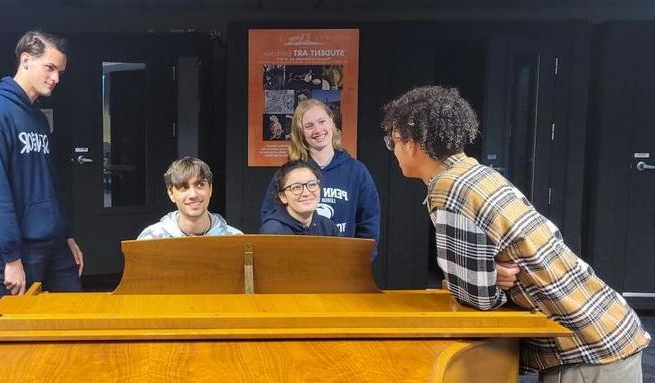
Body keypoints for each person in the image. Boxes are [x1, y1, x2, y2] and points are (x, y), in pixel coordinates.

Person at [380, 85, 649, 381]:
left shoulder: (447, 188)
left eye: (393, 141)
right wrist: (487, 273)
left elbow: (477, 297)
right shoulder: (476, 172)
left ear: (412, 143)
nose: (393, 151)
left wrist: (484, 277)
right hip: (608, 325)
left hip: (586, 350)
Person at [0, 30, 83, 298]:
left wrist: (67, 234)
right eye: (50, 68)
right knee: (25, 334)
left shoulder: (38, 118)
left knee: (73, 318)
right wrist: (11, 258)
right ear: (26, 60)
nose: (55, 78)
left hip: (54, 243)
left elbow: (49, 182)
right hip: (19, 251)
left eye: (60, 72)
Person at [260, 99, 380, 246]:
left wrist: (358, 262)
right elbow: (270, 217)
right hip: (296, 261)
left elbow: (369, 225)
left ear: (331, 120)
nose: (317, 130)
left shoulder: (357, 172)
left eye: (321, 121)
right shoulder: (289, 174)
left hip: (341, 260)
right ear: (301, 132)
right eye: (309, 126)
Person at [138, 156, 242, 239]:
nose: (193, 195)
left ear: (210, 189)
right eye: (184, 187)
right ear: (171, 194)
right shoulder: (151, 238)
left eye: (200, 185)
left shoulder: (235, 238)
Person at [259, 160, 338, 236]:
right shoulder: (273, 230)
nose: (306, 193)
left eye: (312, 184)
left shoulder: (328, 227)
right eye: (296, 187)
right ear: (283, 197)